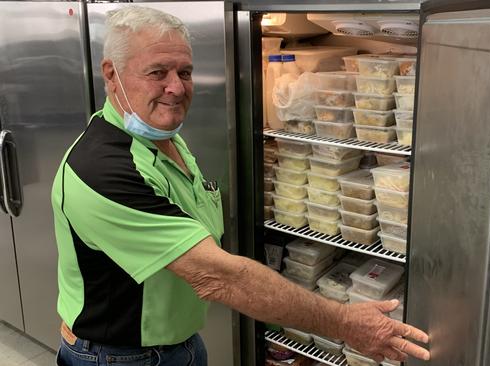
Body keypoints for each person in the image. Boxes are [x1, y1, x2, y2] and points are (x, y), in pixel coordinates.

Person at [51, 6, 430, 366]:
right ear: (111, 73)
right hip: (119, 354)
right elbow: (219, 277)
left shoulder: (161, 135)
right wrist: (345, 322)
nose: (176, 88)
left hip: (177, 340)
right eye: (157, 72)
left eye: (185, 72)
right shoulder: (101, 171)